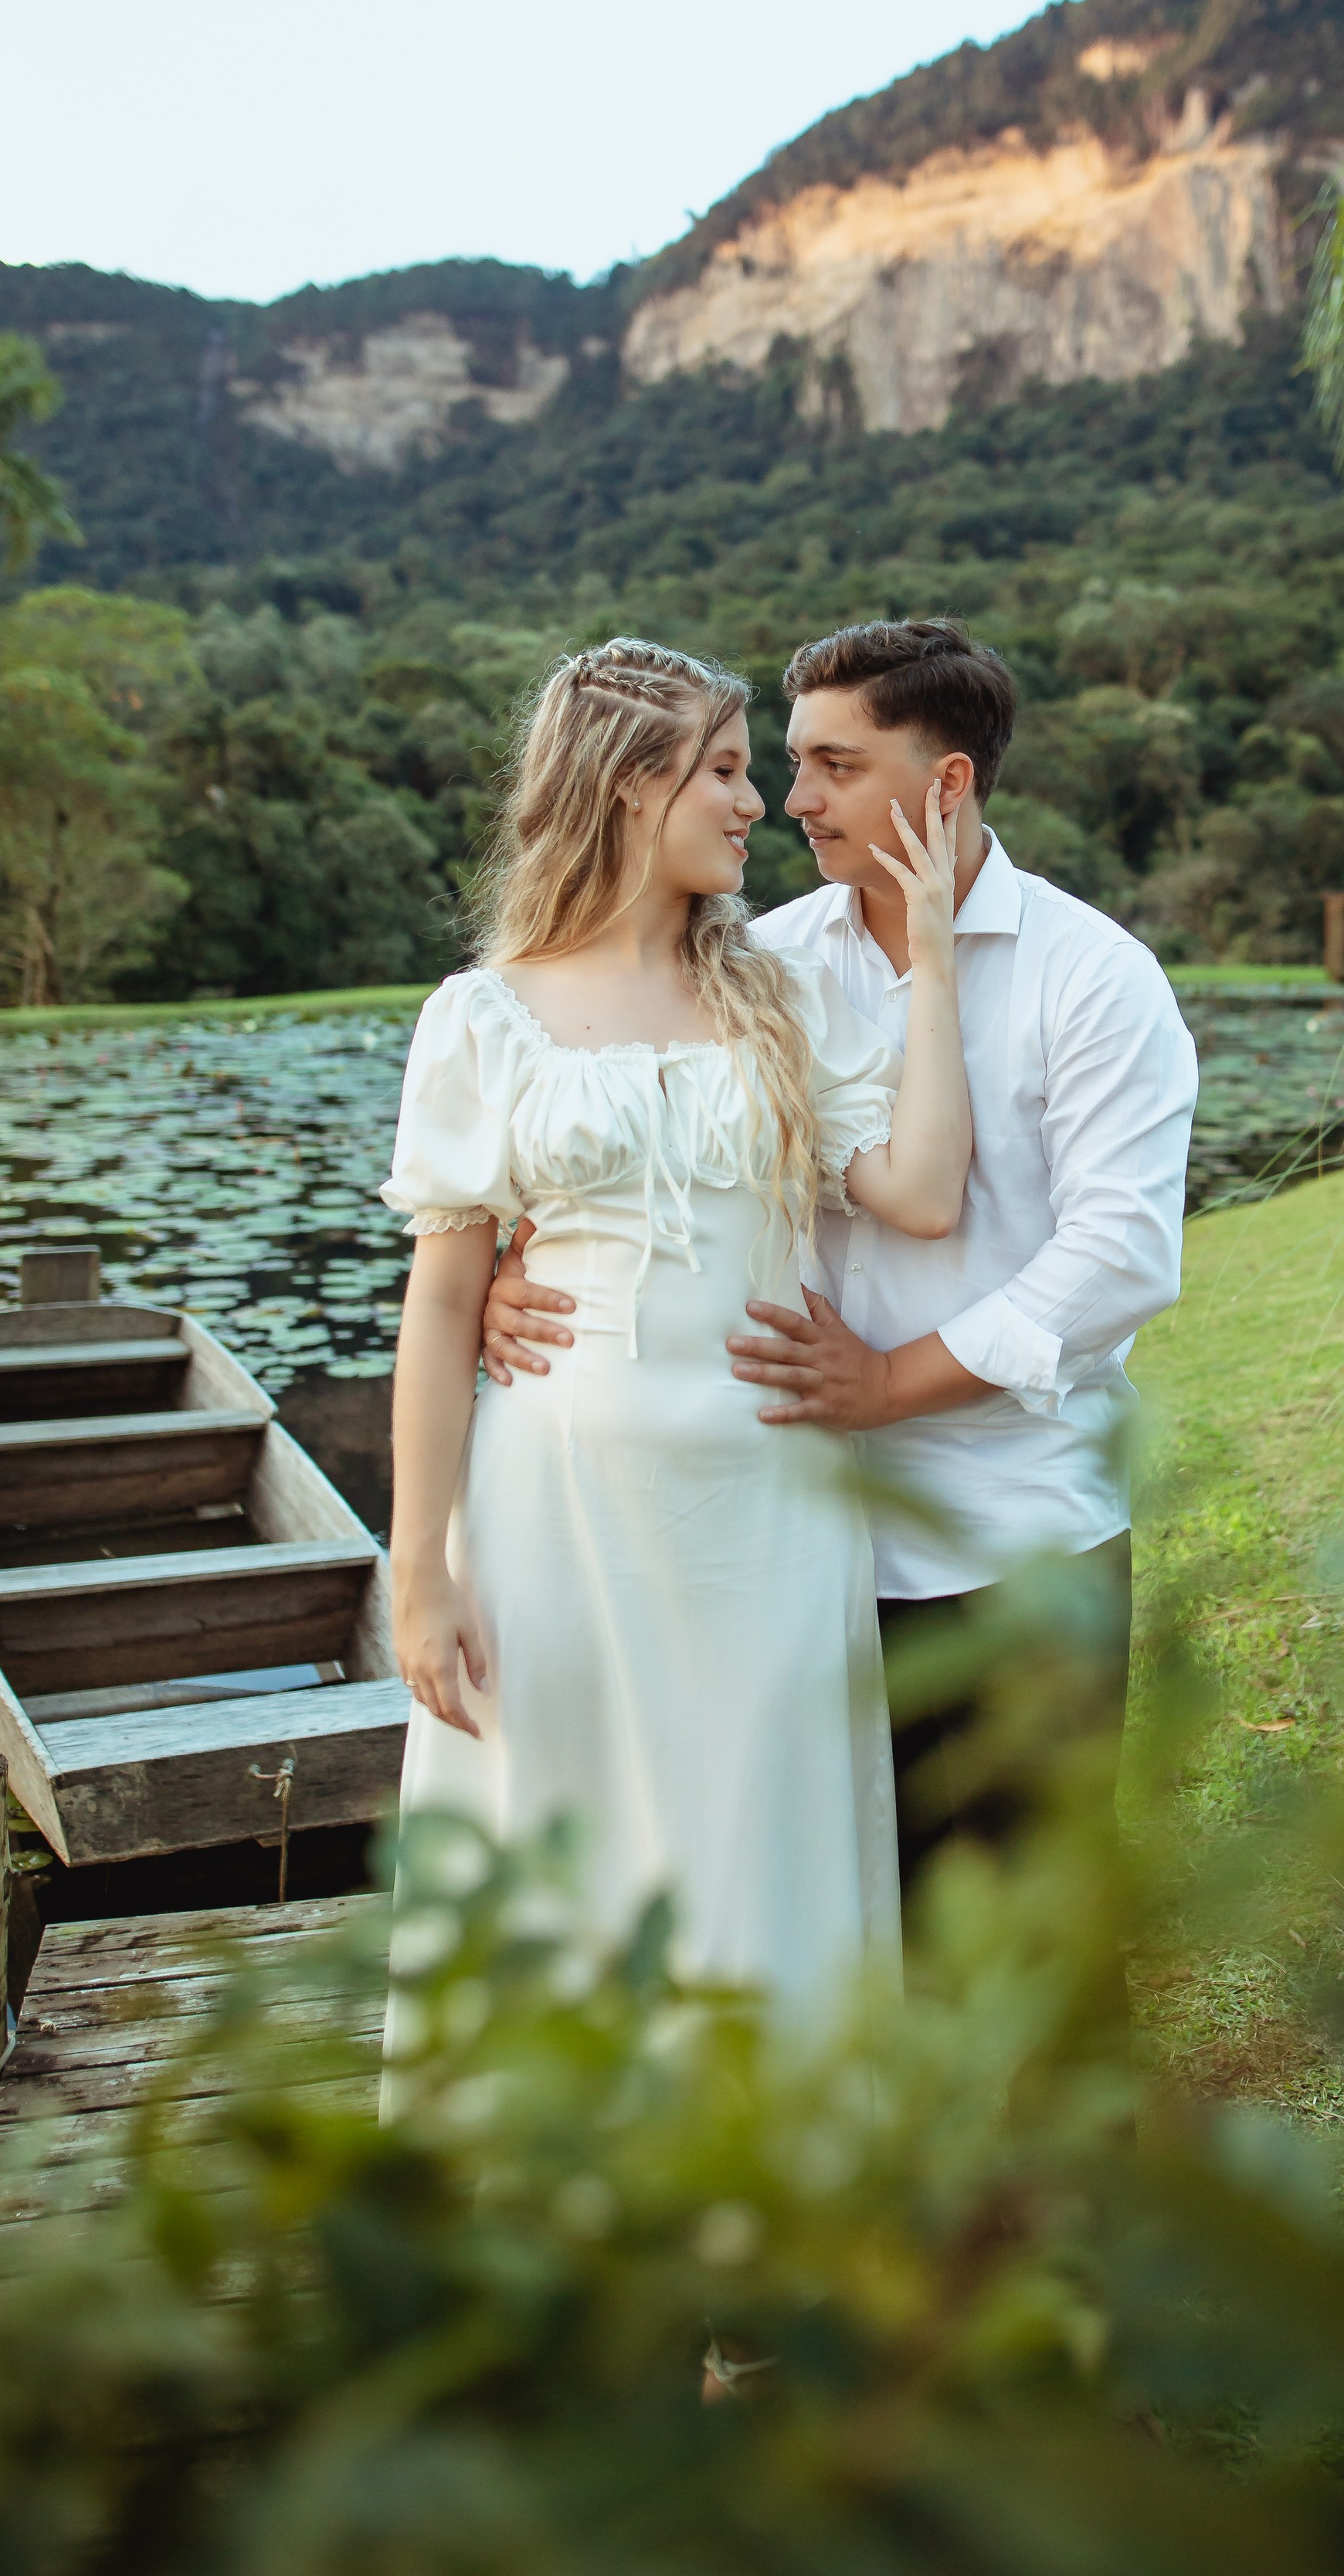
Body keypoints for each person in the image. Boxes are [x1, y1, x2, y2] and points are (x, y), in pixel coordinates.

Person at [483, 617, 1199, 1886]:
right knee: (838, 1932)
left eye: (835, 766)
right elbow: (634, 1139)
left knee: (1030, 1941)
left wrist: (891, 1383)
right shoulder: (761, 962)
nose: (792, 801)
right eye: (789, 764)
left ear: (948, 781)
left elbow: (1121, 1255)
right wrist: (513, 1271)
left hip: (1008, 1535)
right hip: (789, 1542)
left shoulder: (1093, 977)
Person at [380, 636, 972, 2024]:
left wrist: (931, 961)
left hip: (768, 1507)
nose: (756, 801)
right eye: (722, 770)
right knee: (562, 1849)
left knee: (758, 1841)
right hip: (553, 1514)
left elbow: (925, 1194)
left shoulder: (775, 994)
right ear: (628, 785)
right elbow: (446, 1302)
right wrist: (418, 1571)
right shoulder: (482, 1016)